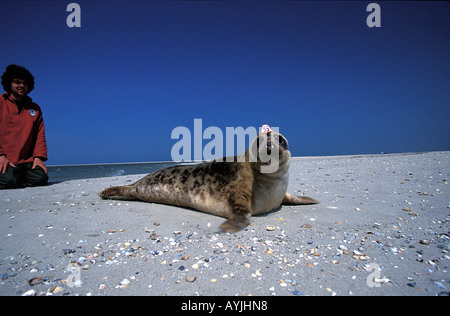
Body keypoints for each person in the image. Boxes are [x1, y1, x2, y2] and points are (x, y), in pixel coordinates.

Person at [0, 64, 49, 189]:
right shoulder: (1, 103)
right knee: (7, 181)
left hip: (26, 161)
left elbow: (39, 135)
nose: (21, 86)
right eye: (17, 82)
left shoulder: (34, 109)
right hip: (5, 159)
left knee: (40, 178)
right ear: (9, 83)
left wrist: (38, 157)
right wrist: (1, 155)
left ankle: (19, 176)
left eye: (24, 83)